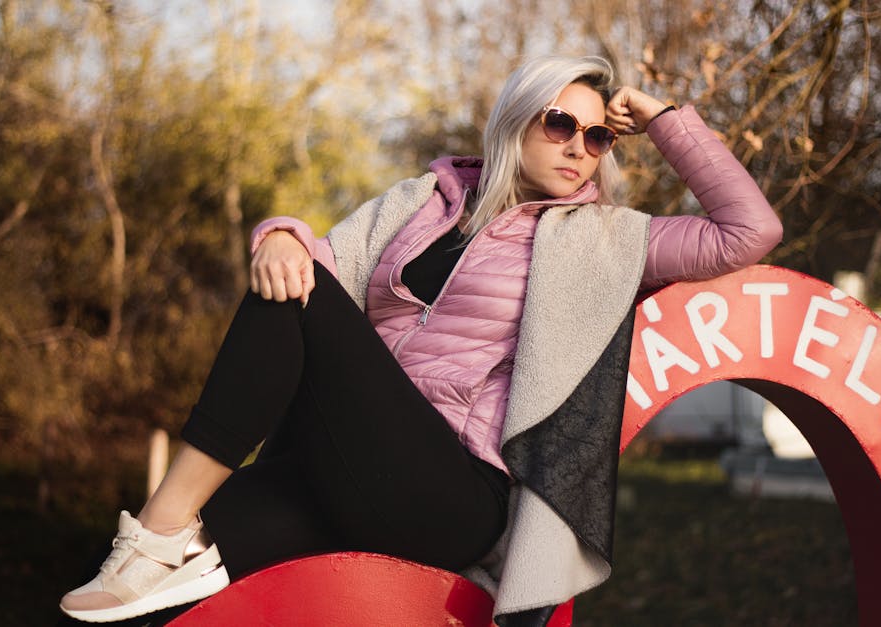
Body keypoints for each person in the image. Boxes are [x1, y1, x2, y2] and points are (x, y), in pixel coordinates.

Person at [60, 54, 782, 625]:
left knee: (300, 296)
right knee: (110, 603)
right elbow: (318, 264)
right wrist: (278, 230)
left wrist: (660, 119)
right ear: (516, 119)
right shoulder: (424, 199)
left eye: (598, 137)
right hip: (342, 466)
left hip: (452, 495)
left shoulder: (604, 240)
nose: (581, 149)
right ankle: (155, 548)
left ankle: (158, 529)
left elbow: (749, 231)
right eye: (561, 124)